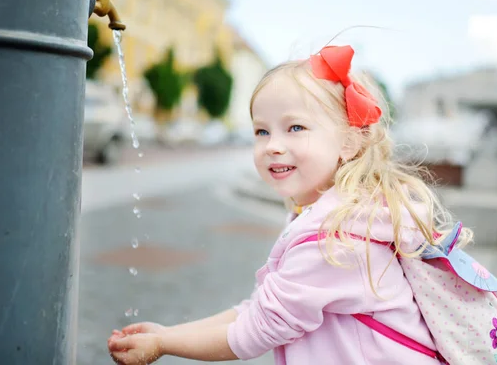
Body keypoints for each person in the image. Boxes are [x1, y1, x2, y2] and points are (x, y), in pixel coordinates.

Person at [107, 44, 473, 364]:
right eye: (262, 131)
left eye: (295, 128)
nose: (273, 145)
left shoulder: (337, 240)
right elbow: (258, 309)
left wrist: (166, 343)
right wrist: (167, 333)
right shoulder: (347, 216)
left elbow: (256, 330)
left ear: (349, 142)